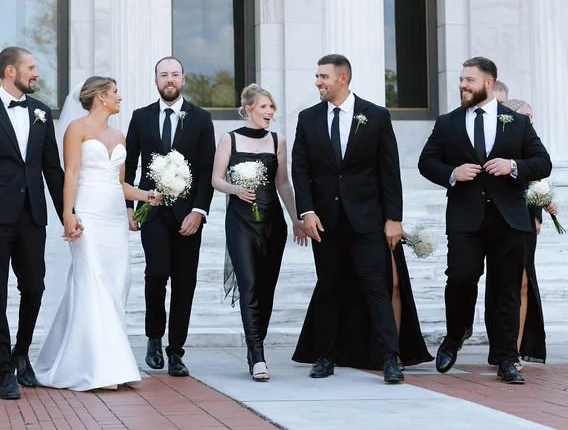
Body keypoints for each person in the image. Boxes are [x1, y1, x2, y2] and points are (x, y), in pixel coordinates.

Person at [418, 57, 551, 385]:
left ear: (488, 83)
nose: (462, 85)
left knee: (506, 290)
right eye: (462, 80)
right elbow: (426, 162)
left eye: (469, 80)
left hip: (509, 220)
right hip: (465, 219)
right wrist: (452, 173)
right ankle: (455, 336)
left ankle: (507, 357)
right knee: (460, 279)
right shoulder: (448, 123)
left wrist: (513, 166)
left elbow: (543, 162)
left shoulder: (516, 122)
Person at [291, 54, 405, 384]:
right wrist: (306, 211)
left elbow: (390, 171)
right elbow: (301, 170)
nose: (318, 82)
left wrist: (393, 218)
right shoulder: (308, 118)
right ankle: (325, 355)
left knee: (376, 288)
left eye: (323, 76)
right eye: (316, 76)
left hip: (368, 221)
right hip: (324, 222)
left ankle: (389, 358)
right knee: (328, 287)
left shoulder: (376, 115)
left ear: (343, 79)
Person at [0, 46, 65, 400]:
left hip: (33, 216)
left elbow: (52, 167)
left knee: (34, 287)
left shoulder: (40, 111)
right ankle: (4, 368)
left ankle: (22, 353)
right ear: (10, 71)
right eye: (31, 67)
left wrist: (67, 213)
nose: (36, 73)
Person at [35, 77, 149, 391]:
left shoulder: (120, 135)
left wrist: (146, 195)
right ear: (100, 97)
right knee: (91, 280)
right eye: (115, 92)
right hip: (88, 214)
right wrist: (68, 214)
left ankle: (105, 359)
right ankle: (99, 366)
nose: (119, 97)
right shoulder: (77, 129)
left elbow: (120, 183)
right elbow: (70, 173)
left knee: (115, 282)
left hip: (113, 217)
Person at [124, 56, 215, 378]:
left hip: (188, 212)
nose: (169, 80)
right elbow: (130, 165)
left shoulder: (202, 119)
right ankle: (153, 339)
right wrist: (130, 208)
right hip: (152, 209)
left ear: (184, 79)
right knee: (156, 273)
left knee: (185, 282)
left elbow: (206, 169)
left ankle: (176, 351)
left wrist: (199, 212)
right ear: (156, 80)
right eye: (164, 75)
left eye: (175, 75)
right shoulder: (140, 117)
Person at [211, 84, 306, 381]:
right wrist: (235, 189)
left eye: (272, 108)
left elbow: (284, 184)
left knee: (266, 289)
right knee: (249, 286)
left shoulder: (278, 141)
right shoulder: (230, 139)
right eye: (264, 107)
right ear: (249, 108)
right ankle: (258, 356)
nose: (270, 112)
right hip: (239, 222)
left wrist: (295, 219)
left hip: (271, 223)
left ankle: (256, 345)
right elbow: (215, 179)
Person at [484, 99, 553, 368]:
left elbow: (535, 180)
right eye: (526, 117)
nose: (530, 123)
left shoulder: (529, 147)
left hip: (526, 219)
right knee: (509, 284)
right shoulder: (499, 145)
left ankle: (514, 349)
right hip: (504, 218)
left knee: (523, 284)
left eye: (532, 118)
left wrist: (540, 208)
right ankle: (505, 348)